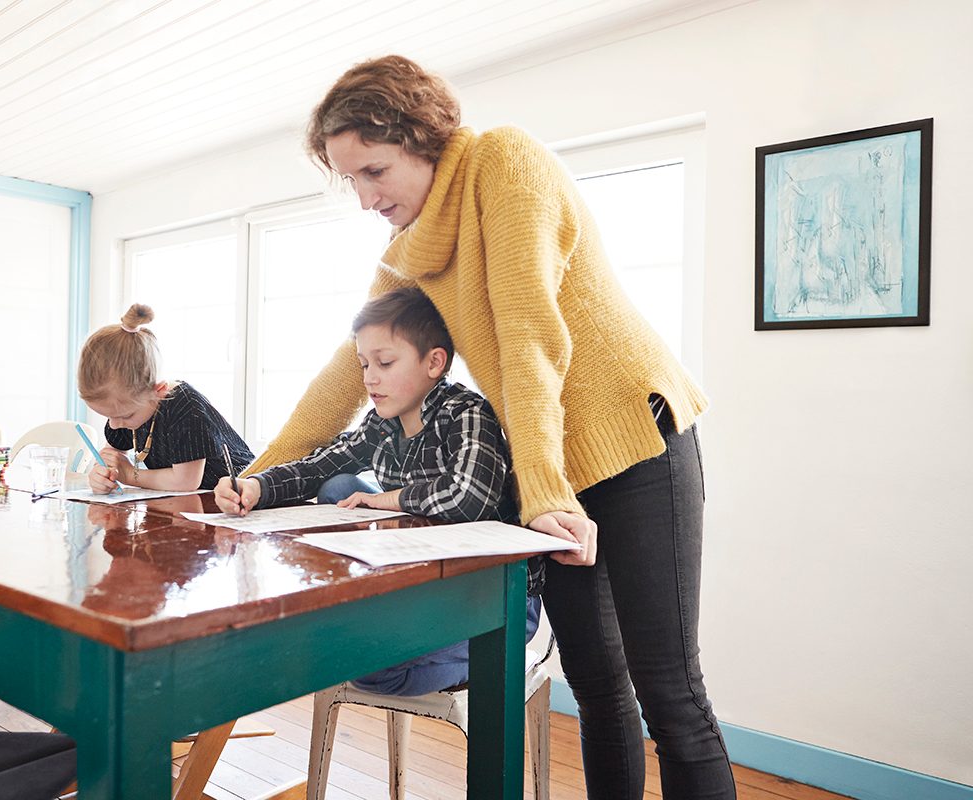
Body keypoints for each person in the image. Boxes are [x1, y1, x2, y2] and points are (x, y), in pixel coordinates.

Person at [246, 56, 732, 799]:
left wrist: (541, 491)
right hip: (556, 472)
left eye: (375, 171)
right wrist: (260, 474)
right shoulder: (413, 247)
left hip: (638, 446)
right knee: (597, 689)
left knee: (670, 694)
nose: (366, 197)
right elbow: (345, 371)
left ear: (421, 137)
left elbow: (529, 334)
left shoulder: (504, 161)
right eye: (352, 180)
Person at [215, 287, 540, 696]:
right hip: (426, 588)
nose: (369, 378)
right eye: (364, 364)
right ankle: (365, 619)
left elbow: (470, 498)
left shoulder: (467, 413)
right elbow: (320, 466)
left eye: (385, 363)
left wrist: (389, 498)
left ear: (434, 362)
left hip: (492, 599)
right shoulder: (382, 423)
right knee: (339, 485)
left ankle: (495, 653)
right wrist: (255, 486)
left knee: (371, 669)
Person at [78, 303, 253, 494]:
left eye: (125, 416)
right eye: (108, 416)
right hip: (188, 504)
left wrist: (128, 475)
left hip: (237, 496)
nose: (114, 425)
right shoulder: (126, 410)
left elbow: (185, 482)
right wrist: (103, 474)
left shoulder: (187, 408)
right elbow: (112, 455)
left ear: (159, 390)